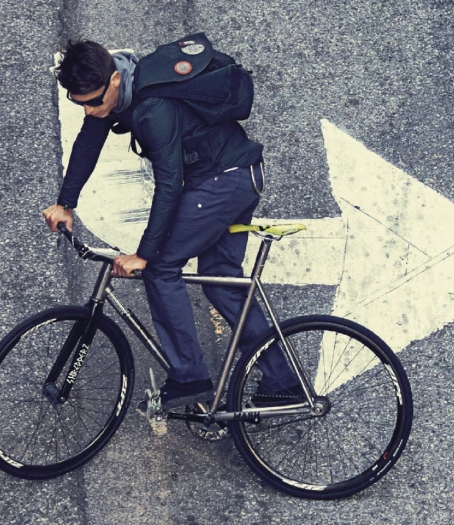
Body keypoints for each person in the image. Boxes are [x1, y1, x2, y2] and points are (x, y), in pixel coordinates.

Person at [43, 37, 299, 409]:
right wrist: (66, 202)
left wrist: (145, 254)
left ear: (114, 80)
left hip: (222, 181)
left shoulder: (153, 111)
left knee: (161, 268)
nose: (89, 110)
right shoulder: (113, 91)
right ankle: (284, 382)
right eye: (78, 102)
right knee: (222, 281)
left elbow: (169, 184)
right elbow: (89, 139)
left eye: (94, 101)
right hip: (238, 174)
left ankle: (189, 377)